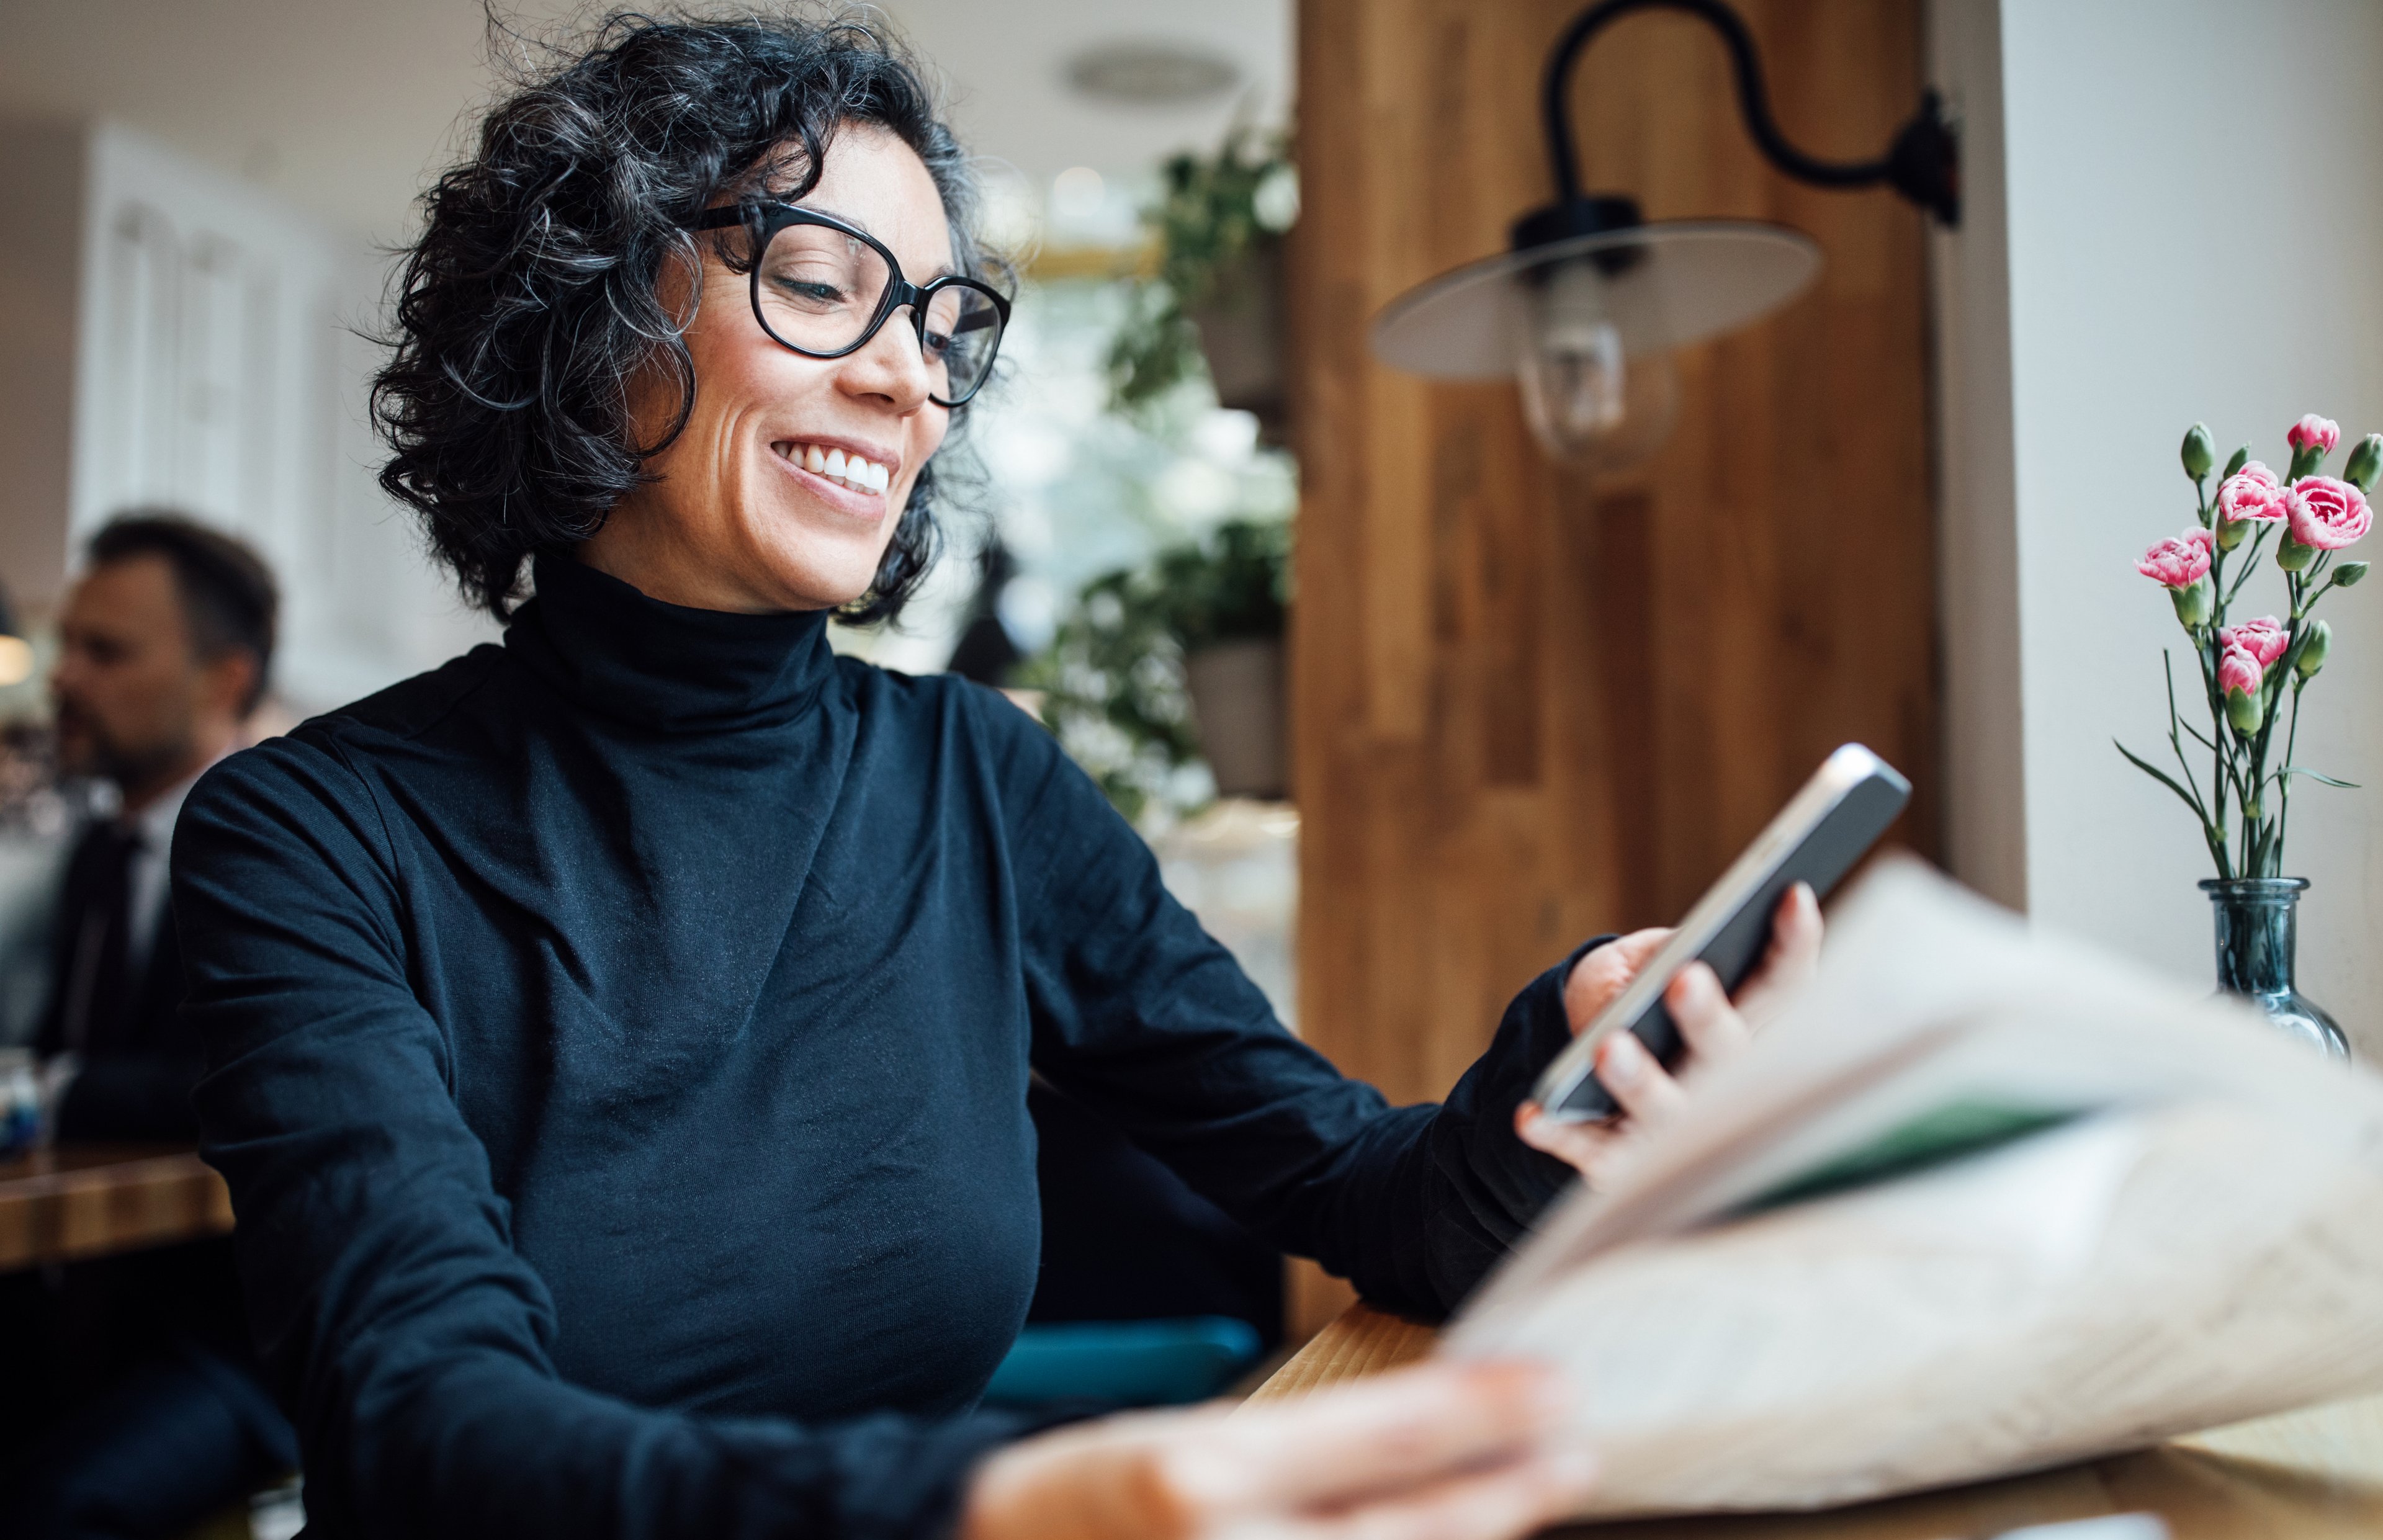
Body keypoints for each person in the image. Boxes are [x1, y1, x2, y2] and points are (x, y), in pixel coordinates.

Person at [169, 14, 1822, 1540]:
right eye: (821, 282)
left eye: (940, 321)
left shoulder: (980, 781)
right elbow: (425, 1426)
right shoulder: (310, 836)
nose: (906, 378)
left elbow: (1363, 1188)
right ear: (594, 308)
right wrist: (1020, 1500)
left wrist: (1577, 1056)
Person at [0, 514, 297, 1538]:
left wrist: (38, 1090)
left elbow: (251, 1078)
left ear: (223, 679)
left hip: (234, 1338)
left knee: (45, 1505)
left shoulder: (288, 868)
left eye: (105, 650)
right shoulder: (98, 852)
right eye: (67, 643)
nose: (62, 674)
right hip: (80, 1310)